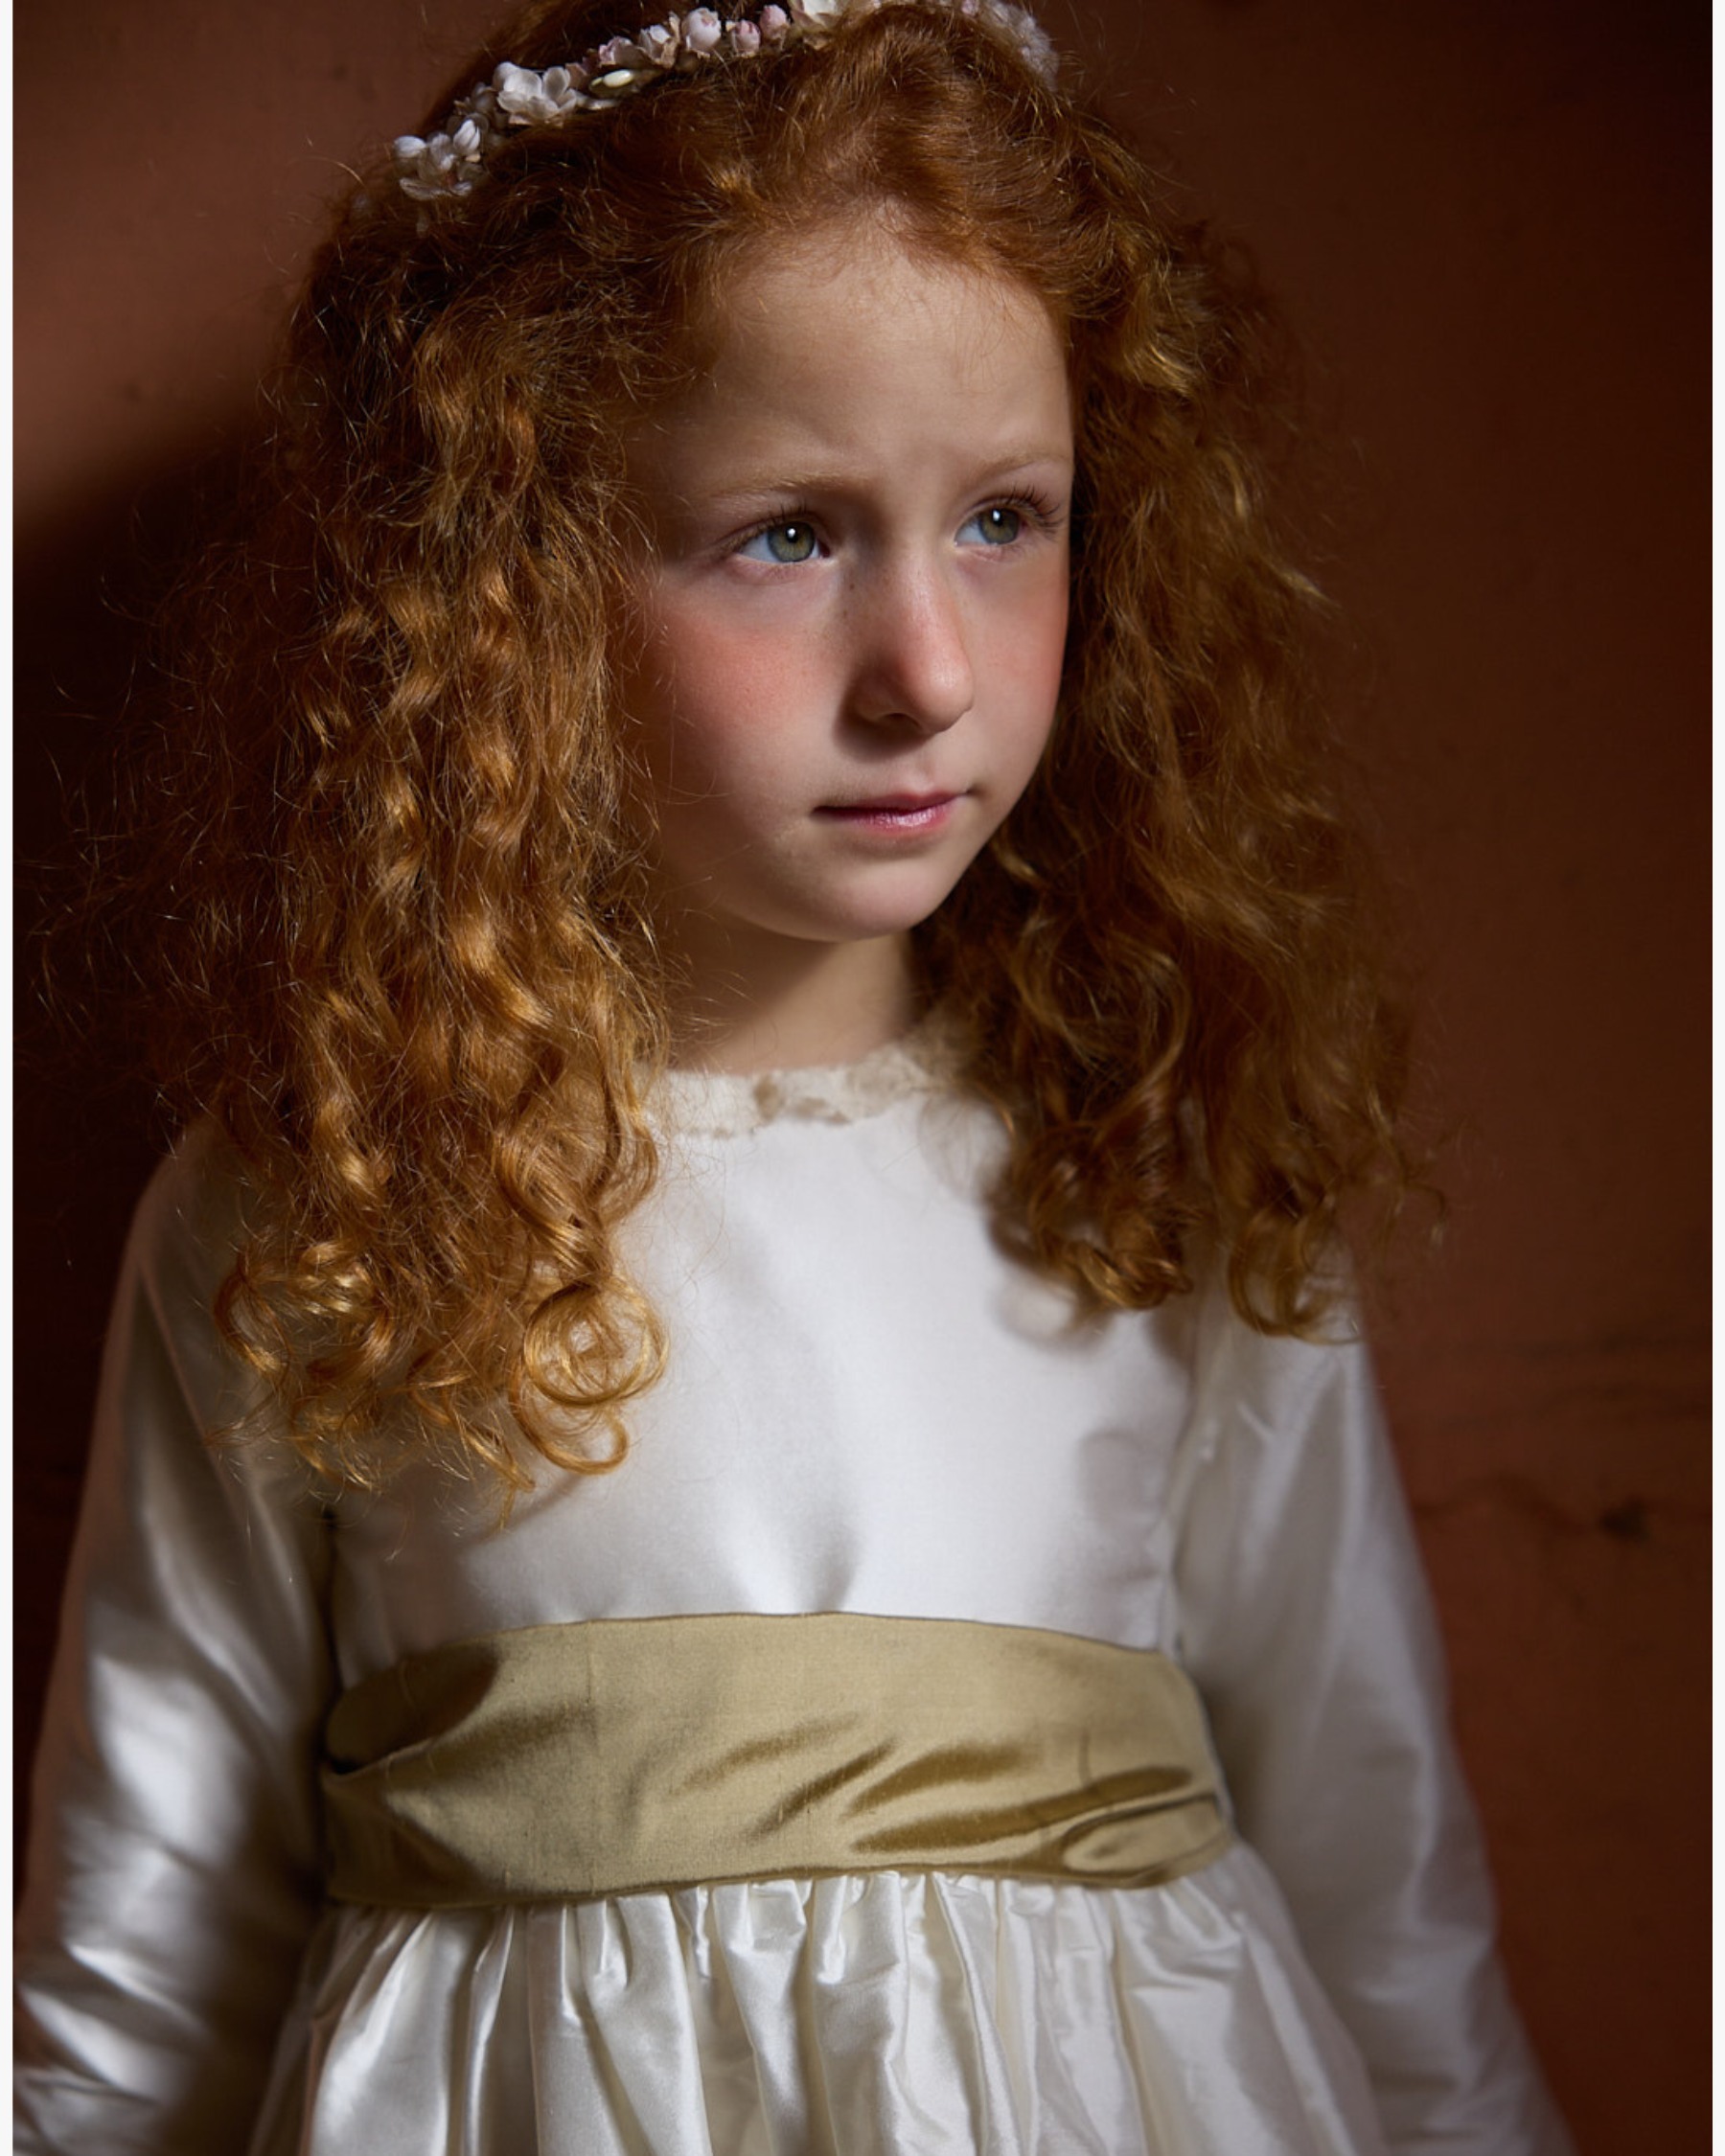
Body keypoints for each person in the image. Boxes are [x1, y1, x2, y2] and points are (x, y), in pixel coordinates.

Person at [15, 3, 1576, 2150]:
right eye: (788, 534)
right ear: (520, 583)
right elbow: (140, 1966)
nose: (927, 671)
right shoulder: (325, 1205)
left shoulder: (1165, 1158)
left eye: (1007, 519)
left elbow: (1377, 1879)